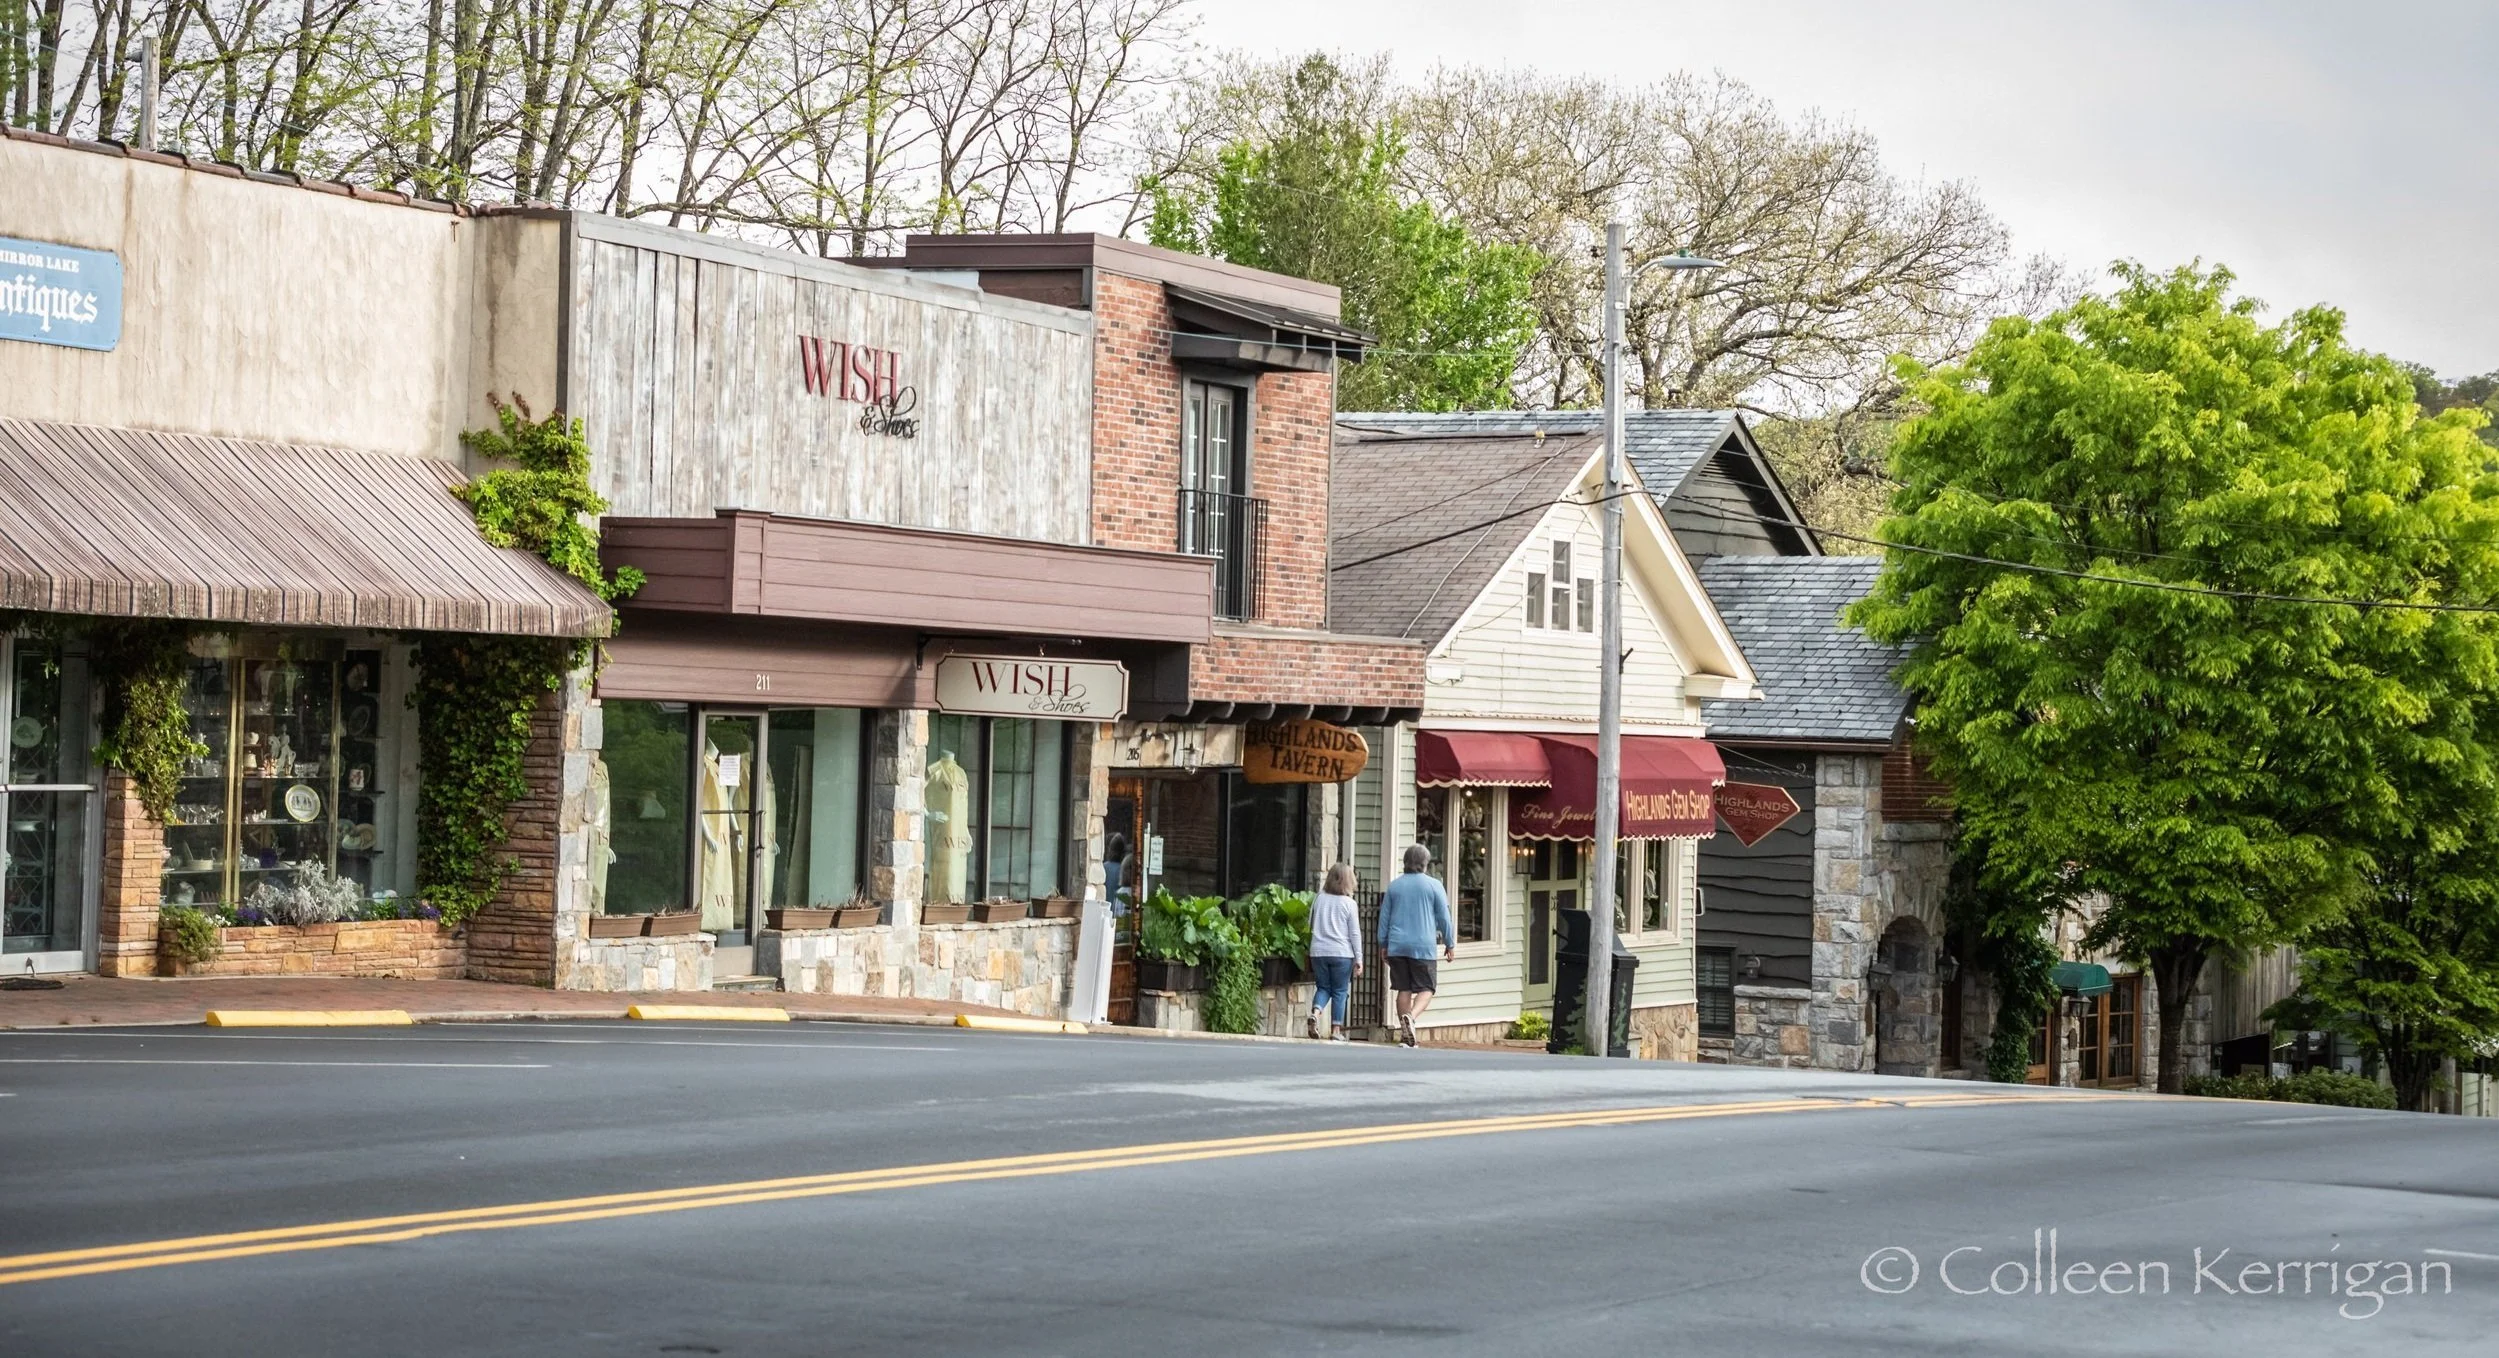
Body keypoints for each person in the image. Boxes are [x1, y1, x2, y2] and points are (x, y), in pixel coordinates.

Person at [1377, 844, 1456, 1047]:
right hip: (1422, 946)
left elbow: (1384, 918)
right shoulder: (1434, 885)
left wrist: (1383, 943)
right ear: (1425, 863)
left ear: (1406, 862)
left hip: (1397, 945)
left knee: (1403, 989)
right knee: (1427, 987)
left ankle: (1406, 1036)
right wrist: (1450, 942)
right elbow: (1444, 917)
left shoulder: (1394, 886)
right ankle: (1410, 1018)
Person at [1307, 864, 1361, 1041]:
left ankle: (1315, 1013)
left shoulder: (1319, 899)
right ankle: (1336, 1030)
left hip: (1318, 951)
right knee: (1339, 991)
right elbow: (1354, 933)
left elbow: (1310, 923)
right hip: (1341, 953)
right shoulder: (1349, 904)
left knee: (1323, 987)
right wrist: (1359, 958)